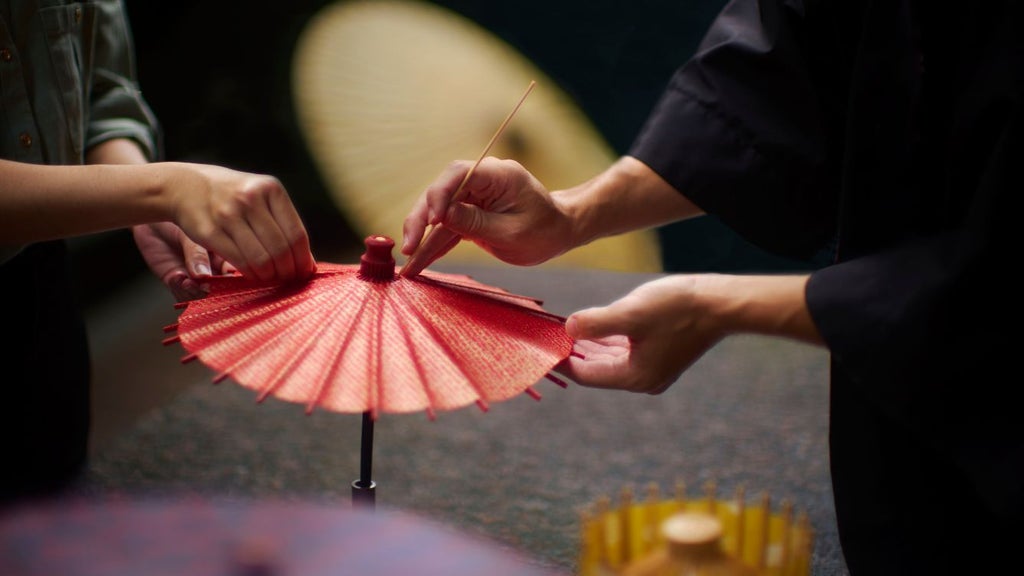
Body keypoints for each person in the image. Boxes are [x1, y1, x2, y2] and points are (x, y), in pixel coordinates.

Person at [402, 1, 1021, 574]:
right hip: (889, 409)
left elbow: (991, 288)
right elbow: (781, 78)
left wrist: (714, 306)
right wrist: (572, 215)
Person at [0, 1, 315, 502]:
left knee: (51, 503)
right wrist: (161, 190)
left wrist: (143, 204)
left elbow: (99, 93)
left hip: (42, 281)